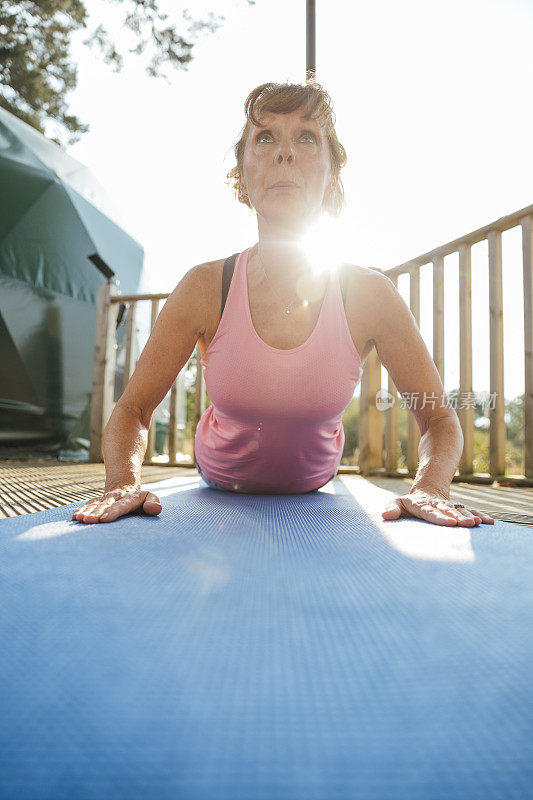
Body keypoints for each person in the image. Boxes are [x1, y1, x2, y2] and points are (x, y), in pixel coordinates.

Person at [73, 79, 494, 527]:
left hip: (316, 480)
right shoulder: (203, 287)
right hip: (217, 475)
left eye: (307, 137)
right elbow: (133, 410)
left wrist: (430, 488)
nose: (284, 152)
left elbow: (439, 419)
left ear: (333, 172)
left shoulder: (370, 295)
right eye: (266, 136)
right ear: (242, 173)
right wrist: (122, 482)